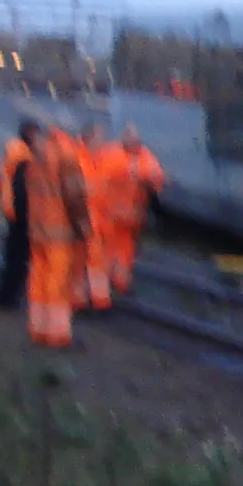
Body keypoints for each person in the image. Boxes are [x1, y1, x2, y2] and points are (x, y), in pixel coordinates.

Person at [22, 122, 89, 350]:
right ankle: (58, 334)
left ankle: (38, 328)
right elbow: (75, 197)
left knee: (38, 278)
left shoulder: (35, 157)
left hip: (37, 230)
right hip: (60, 232)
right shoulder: (66, 156)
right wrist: (82, 227)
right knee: (58, 282)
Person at [95, 124, 166, 295]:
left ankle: (118, 284)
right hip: (111, 216)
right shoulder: (114, 155)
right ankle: (110, 286)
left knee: (123, 254)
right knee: (110, 253)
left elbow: (157, 179)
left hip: (127, 217)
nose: (134, 144)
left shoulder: (134, 156)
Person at [0, 119, 39, 310]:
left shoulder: (18, 149)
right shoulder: (22, 153)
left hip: (15, 209)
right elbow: (22, 187)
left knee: (14, 255)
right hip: (20, 211)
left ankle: (7, 295)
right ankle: (7, 297)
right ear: (29, 133)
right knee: (17, 257)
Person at [75, 120, 118, 309]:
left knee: (96, 262)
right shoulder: (77, 160)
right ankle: (80, 300)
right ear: (89, 138)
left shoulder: (102, 159)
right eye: (99, 136)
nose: (103, 140)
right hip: (82, 220)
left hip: (99, 221)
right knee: (80, 263)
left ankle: (98, 299)